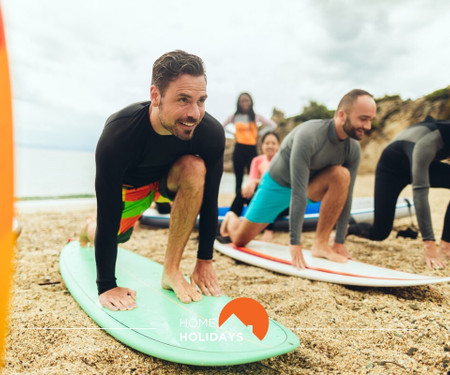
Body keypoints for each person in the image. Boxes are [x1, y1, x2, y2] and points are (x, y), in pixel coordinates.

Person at [82, 50, 225, 311]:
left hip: (166, 183)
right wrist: (106, 286)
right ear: (155, 96)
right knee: (115, 236)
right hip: (131, 189)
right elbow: (109, 212)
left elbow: (210, 200)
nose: (194, 113)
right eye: (183, 99)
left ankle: (170, 270)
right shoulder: (119, 134)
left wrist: (205, 260)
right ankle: (86, 228)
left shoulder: (210, 134)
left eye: (201, 100)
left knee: (194, 167)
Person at [220, 89, 377, 269]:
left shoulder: (353, 149)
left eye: (370, 120)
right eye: (363, 119)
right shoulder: (309, 135)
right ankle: (231, 219)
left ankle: (321, 244)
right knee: (240, 240)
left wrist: (339, 241)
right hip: (276, 186)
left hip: (310, 186)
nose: (368, 126)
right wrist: (295, 244)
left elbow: (347, 196)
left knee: (342, 176)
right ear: (342, 115)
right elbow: (298, 193)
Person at [348, 115, 450, 269]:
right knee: (380, 232)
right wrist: (429, 244)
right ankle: (348, 229)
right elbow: (420, 194)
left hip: (420, 164)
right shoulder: (430, 141)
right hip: (391, 171)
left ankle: (446, 245)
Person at [227, 131, 285, 242]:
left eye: (273, 143)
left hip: (279, 203)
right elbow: (251, 181)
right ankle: (231, 218)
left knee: (269, 195)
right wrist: (252, 184)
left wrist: (256, 182)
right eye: (267, 143)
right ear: (262, 145)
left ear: (278, 145)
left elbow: (278, 186)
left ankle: (269, 229)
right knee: (241, 193)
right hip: (262, 198)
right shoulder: (257, 160)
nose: (270, 146)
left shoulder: (282, 161)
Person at [222, 93, 277, 198]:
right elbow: (222, 126)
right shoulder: (234, 117)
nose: (245, 103)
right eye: (242, 101)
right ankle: (238, 201)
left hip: (252, 149)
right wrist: (233, 134)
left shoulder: (256, 116)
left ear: (251, 102)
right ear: (238, 103)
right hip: (239, 148)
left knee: (254, 176)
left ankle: (253, 199)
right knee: (239, 178)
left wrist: (260, 133)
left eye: (247, 100)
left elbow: (272, 125)